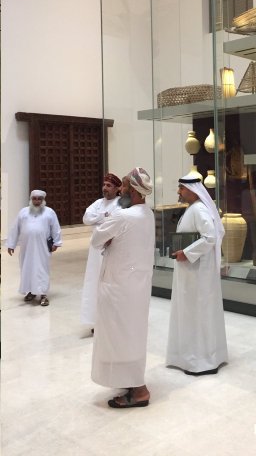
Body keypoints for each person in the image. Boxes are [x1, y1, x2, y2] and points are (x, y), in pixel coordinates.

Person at [90, 167, 155, 408]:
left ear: (135, 191)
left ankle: (139, 391)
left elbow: (96, 239)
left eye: (125, 186)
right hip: (136, 287)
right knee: (131, 335)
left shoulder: (123, 216)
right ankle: (131, 380)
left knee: (120, 336)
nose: (121, 190)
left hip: (118, 288)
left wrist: (108, 236)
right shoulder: (147, 213)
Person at [166, 171, 228, 376]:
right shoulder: (193, 208)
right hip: (191, 270)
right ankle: (190, 356)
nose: (178, 192)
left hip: (198, 272)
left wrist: (186, 253)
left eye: (181, 188)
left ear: (192, 190)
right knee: (191, 312)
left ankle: (201, 361)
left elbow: (210, 237)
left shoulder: (199, 209)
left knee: (198, 312)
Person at [80, 173, 122, 329]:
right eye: (104, 185)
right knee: (94, 282)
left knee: (110, 283)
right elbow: (86, 218)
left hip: (111, 248)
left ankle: (110, 321)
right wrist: (104, 216)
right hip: (95, 251)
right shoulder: (98, 203)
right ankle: (95, 321)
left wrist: (98, 219)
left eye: (109, 186)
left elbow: (115, 222)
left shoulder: (121, 204)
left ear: (117, 188)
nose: (105, 188)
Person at [7, 189, 62, 306]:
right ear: (31, 199)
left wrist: (56, 242)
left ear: (43, 200)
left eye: (39, 199)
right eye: (34, 199)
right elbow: (15, 228)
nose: (37, 201)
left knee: (41, 269)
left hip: (42, 247)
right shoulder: (23, 212)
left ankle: (43, 295)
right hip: (26, 248)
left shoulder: (49, 212)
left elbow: (55, 227)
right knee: (27, 268)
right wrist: (11, 244)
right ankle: (31, 291)